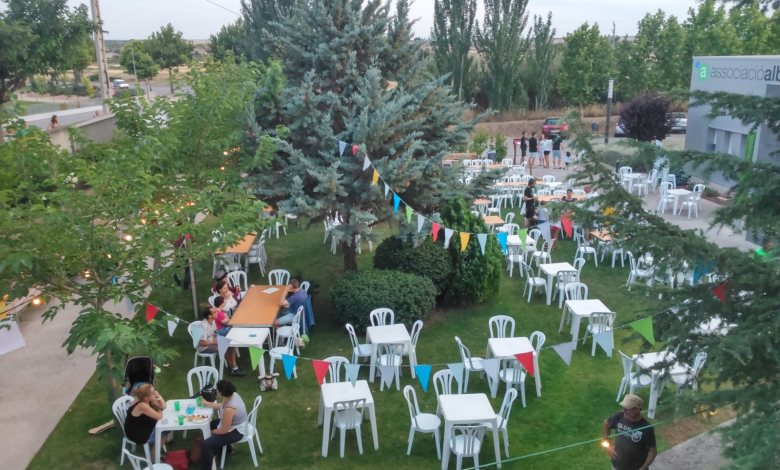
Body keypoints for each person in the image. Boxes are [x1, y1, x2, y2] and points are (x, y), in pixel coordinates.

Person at [201, 380, 247, 470]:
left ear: (221, 392)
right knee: (210, 424)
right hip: (232, 425)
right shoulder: (233, 395)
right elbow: (221, 406)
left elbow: (224, 430)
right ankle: (226, 449)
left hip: (236, 432)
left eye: (217, 390)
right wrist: (206, 403)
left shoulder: (230, 409)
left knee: (207, 444)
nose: (216, 391)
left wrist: (212, 432)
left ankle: (207, 467)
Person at [603, 394, 657, 470]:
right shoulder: (619, 416)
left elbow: (652, 452)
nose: (624, 410)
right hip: (617, 465)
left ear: (637, 410)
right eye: (623, 407)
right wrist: (608, 445)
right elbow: (606, 423)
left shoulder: (647, 428)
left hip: (635, 467)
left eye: (627, 408)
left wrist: (643, 468)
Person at [199, 308, 244, 376]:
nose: (217, 312)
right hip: (204, 347)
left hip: (212, 342)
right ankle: (233, 368)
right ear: (209, 316)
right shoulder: (203, 326)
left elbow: (214, 334)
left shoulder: (213, 321)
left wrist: (218, 340)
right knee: (226, 346)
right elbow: (202, 343)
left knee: (231, 345)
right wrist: (216, 342)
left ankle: (233, 367)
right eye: (214, 312)